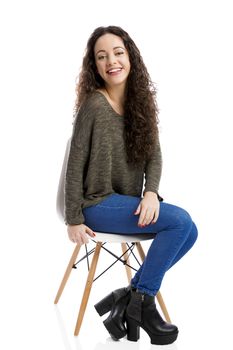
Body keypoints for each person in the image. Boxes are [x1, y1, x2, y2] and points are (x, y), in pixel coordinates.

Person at [65, 25, 198, 345]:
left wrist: (150, 192)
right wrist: (73, 217)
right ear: (95, 67)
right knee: (180, 222)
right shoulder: (94, 105)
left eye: (118, 52)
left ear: (130, 57)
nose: (111, 60)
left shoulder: (141, 103)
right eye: (102, 56)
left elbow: (155, 157)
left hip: (125, 203)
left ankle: (129, 297)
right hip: (97, 205)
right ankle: (142, 304)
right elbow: (74, 165)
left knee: (189, 230)